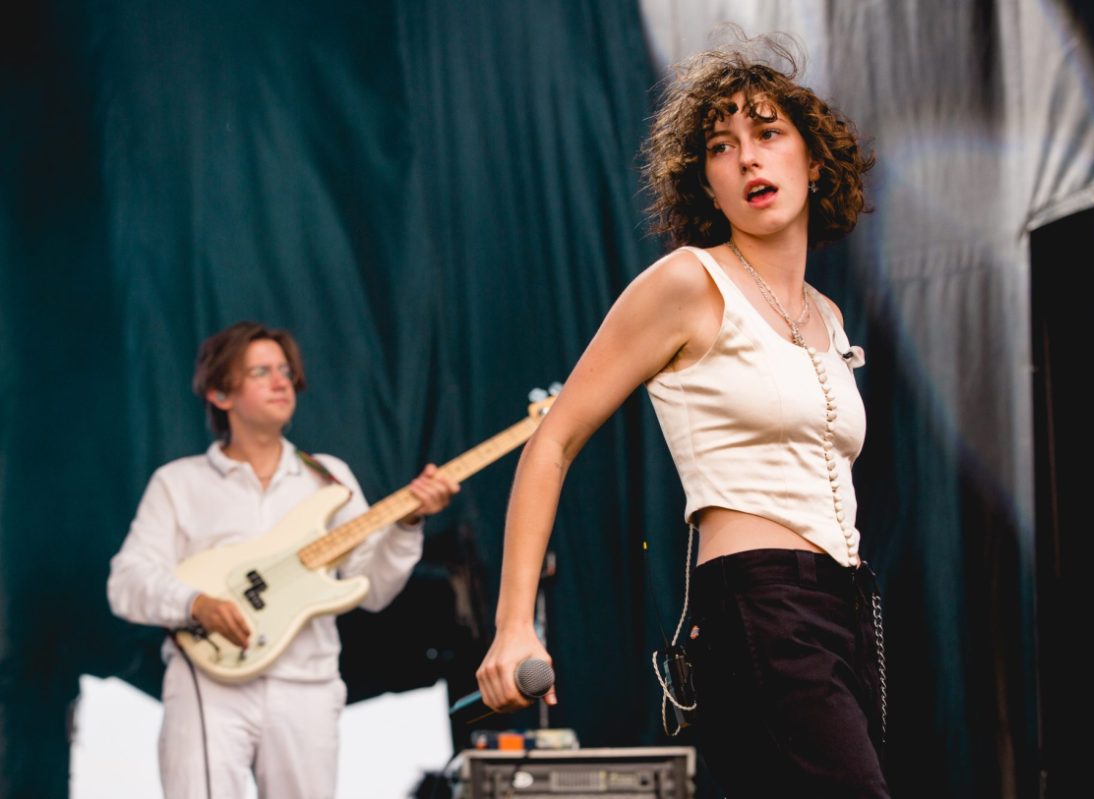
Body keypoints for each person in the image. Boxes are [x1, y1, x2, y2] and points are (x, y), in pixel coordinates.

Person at [475, 35, 886, 797]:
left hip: (842, 608)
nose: (749, 160)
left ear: (814, 159)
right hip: (761, 601)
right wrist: (513, 622)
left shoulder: (827, 317)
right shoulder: (690, 283)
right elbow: (554, 439)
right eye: (722, 148)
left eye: (768, 134)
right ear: (708, 182)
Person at [108, 321, 459, 799]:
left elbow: (372, 590)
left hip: (305, 686)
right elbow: (126, 582)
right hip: (207, 684)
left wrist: (407, 525)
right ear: (219, 394)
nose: (281, 382)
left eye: (285, 371)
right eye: (261, 372)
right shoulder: (178, 483)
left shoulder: (330, 479)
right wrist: (194, 603)